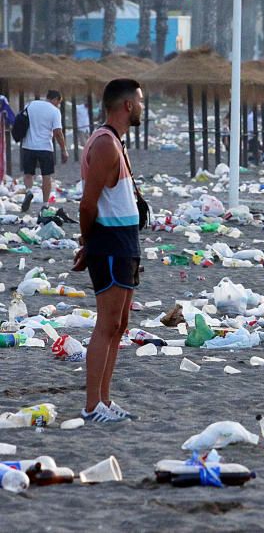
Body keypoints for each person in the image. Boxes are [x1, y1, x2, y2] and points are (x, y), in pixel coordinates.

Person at [74, 78, 144, 423]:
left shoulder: (117, 143)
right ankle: (91, 406)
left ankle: (104, 399)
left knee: (120, 324)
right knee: (107, 324)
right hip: (111, 242)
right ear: (128, 105)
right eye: (140, 102)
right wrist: (88, 244)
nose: (143, 108)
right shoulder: (104, 145)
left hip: (124, 242)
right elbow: (87, 205)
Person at [20, 89, 69, 212]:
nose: (58, 105)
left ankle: (29, 191)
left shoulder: (30, 105)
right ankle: (45, 204)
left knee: (28, 174)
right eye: (59, 102)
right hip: (45, 147)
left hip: (28, 145)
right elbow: (58, 132)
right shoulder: (55, 111)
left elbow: (21, 121)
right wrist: (64, 150)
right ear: (55, 99)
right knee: (46, 176)